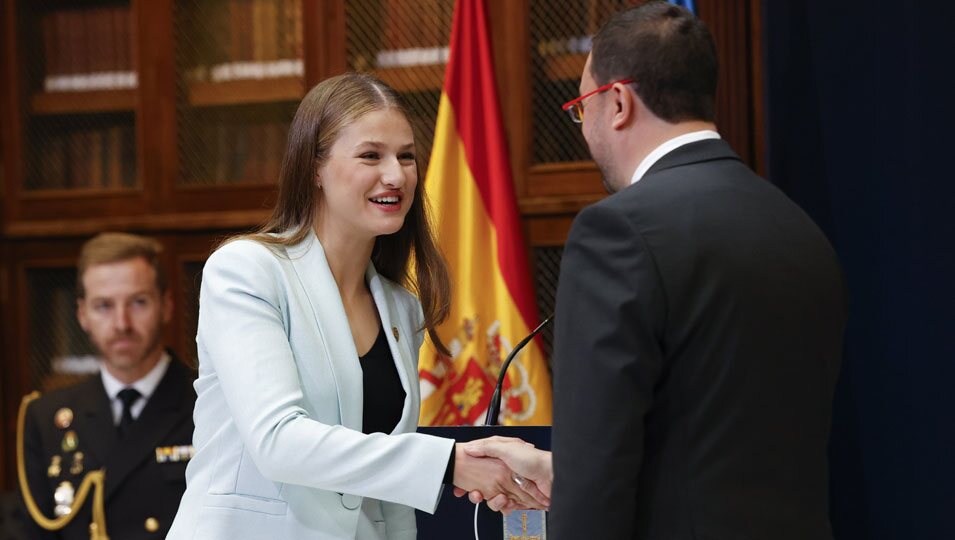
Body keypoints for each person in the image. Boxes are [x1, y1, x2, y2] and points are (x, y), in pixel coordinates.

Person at [467, 2, 847, 538]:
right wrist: (560, 473)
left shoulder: (617, 232)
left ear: (617, 101)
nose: (585, 126)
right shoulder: (798, 228)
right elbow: (722, 447)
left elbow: (601, 479)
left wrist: (579, 483)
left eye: (581, 107)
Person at [166, 72, 546, 540]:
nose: (396, 175)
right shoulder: (247, 270)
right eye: (371, 155)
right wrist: (451, 463)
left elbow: (385, 496)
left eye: (406, 157)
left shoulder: (400, 308)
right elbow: (279, 441)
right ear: (314, 168)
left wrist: (486, 466)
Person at [18, 232, 197, 539]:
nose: (121, 323)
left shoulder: (207, 402)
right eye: (103, 306)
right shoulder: (46, 418)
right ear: (82, 315)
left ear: (167, 306)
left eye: (138, 302)